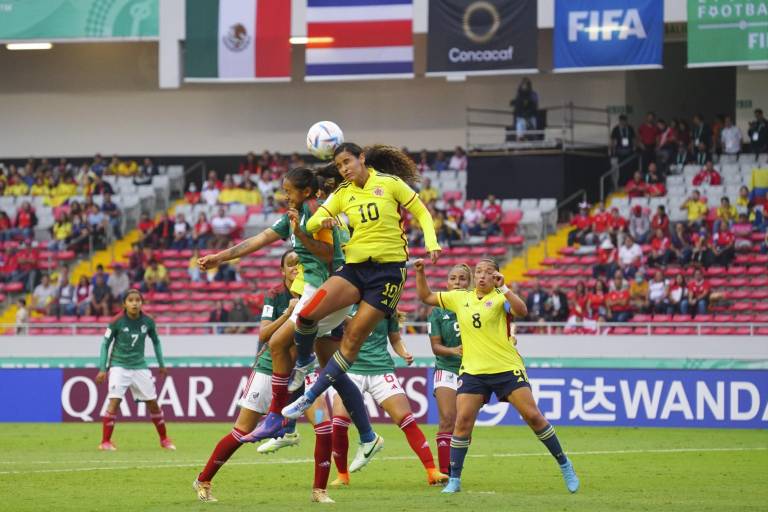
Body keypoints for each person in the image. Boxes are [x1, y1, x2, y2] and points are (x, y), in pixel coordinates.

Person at [198, 164, 382, 472]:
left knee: (278, 342)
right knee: (329, 367)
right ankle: (367, 434)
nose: (285, 196)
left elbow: (326, 253)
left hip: (330, 290)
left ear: (306, 191)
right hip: (314, 290)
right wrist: (220, 257)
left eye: (289, 191)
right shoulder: (295, 214)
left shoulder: (316, 211)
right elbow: (259, 239)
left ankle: (278, 416)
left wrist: (299, 232)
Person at [278, 144, 441, 456]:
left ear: (361, 159)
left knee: (351, 339)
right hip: (355, 269)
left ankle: (309, 395)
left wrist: (432, 241)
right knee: (306, 315)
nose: (344, 169)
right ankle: (304, 364)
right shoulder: (342, 193)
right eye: (339, 165)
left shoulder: (389, 184)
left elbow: (420, 210)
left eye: (347, 162)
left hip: (388, 273)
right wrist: (319, 222)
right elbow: (314, 223)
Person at [413, 257, 579, 494]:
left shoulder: (502, 297)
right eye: (479, 271)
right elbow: (426, 296)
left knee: (533, 416)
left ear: (496, 276)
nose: (482, 275)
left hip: (506, 368)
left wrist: (505, 288)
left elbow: (522, 311)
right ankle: (455, 479)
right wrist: (420, 272)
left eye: (488, 272)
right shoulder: (461, 298)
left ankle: (565, 464)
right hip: (473, 371)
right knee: (462, 423)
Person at [194, 251, 334, 503]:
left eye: (299, 263)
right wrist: (288, 314)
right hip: (270, 371)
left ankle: (319, 492)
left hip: (304, 372)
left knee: (324, 427)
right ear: (282, 271)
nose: (296, 267)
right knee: (242, 431)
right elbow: (264, 334)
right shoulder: (275, 295)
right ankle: (203, 480)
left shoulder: (317, 293)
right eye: (290, 264)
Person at [329, 307, 448, 487]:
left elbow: (395, 338)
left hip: (380, 369)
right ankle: (342, 475)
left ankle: (432, 471)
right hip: (351, 369)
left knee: (406, 420)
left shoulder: (386, 307)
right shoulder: (346, 302)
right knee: (338, 422)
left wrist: (403, 352)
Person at [95, 289, 174, 451]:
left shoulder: (148, 321)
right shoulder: (116, 321)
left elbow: (156, 342)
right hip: (119, 365)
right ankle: (105, 442)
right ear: (124, 303)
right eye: (130, 300)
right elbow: (105, 344)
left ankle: (164, 439)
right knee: (114, 401)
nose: (134, 303)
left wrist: (162, 364)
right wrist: (103, 368)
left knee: (153, 403)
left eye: (137, 300)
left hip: (140, 366)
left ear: (141, 303)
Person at [427, 264, 470, 476]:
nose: (457, 282)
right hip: (445, 368)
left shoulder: (475, 305)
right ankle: (446, 472)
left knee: (464, 425)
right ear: (447, 282)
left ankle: (456, 468)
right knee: (447, 420)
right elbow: (435, 347)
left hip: (471, 371)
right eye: (453, 278)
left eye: (462, 279)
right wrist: (453, 350)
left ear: (468, 283)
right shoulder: (437, 311)